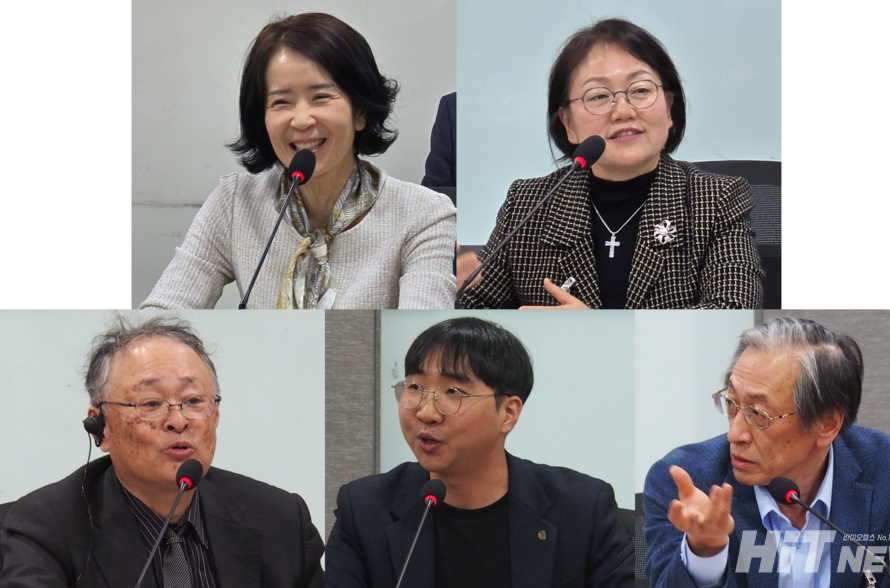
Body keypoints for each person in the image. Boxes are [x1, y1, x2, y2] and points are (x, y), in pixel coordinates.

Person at [142, 13, 456, 309]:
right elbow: (163, 315)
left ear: (360, 111)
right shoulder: (234, 203)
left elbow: (425, 333)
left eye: (321, 97)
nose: (302, 120)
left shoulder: (423, 214)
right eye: (281, 102)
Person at [458, 18, 762, 309]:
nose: (623, 111)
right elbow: (479, 307)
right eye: (599, 96)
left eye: (641, 90)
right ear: (568, 123)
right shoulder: (527, 204)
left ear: (670, 108)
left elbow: (733, 306)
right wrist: (455, 293)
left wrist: (592, 326)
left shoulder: (717, 198)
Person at [0, 317, 324, 587]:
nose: (178, 421)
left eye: (194, 401)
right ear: (100, 427)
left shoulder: (281, 519)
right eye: (151, 404)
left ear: (216, 415)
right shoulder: (44, 526)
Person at [643, 317, 890, 587]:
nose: (735, 434)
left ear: (827, 424)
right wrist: (704, 551)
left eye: (759, 415)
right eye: (732, 405)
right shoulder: (686, 482)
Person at [326, 317, 633, 587]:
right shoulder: (365, 510)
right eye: (415, 387)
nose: (426, 412)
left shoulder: (582, 509)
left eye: (453, 392)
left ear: (508, 413)